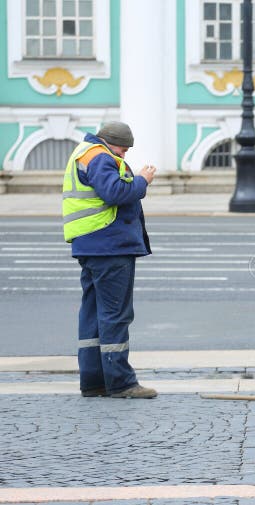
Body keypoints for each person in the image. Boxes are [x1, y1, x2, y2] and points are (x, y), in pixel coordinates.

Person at [62, 121, 158, 399]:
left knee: (92, 315)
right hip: (110, 246)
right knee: (116, 314)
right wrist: (142, 181)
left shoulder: (84, 153)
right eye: (124, 149)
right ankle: (121, 382)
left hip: (90, 244)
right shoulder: (100, 157)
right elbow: (114, 193)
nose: (124, 155)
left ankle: (93, 381)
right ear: (111, 142)